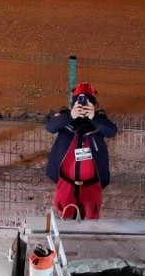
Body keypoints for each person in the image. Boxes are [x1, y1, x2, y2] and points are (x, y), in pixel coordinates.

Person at [44, 81, 117, 220]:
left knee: (90, 222)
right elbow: (49, 127)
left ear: (93, 105)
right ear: (74, 103)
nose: (83, 107)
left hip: (92, 185)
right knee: (65, 219)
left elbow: (112, 131)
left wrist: (93, 117)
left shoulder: (99, 120)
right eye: (80, 103)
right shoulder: (66, 118)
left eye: (87, 104)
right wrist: (71, 115)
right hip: (66, 183)